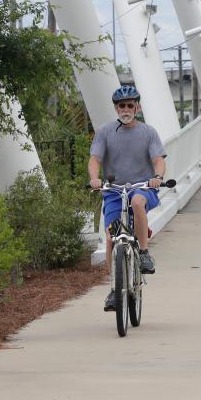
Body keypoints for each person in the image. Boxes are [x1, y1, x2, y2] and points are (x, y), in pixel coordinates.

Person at [88, 85, 167, 311]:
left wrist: (158, 177)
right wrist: (95, 179)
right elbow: (95, 159)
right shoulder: (105, 132)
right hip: (114, 190)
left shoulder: (148, 132)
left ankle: (143, 253)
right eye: (121, 105)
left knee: (137, 202)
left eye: (130, 105)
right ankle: (114, 288)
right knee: (112, 235)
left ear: (137, 107)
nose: (125, 109)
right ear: (115, 108)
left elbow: (159, 160)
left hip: (142, 187)